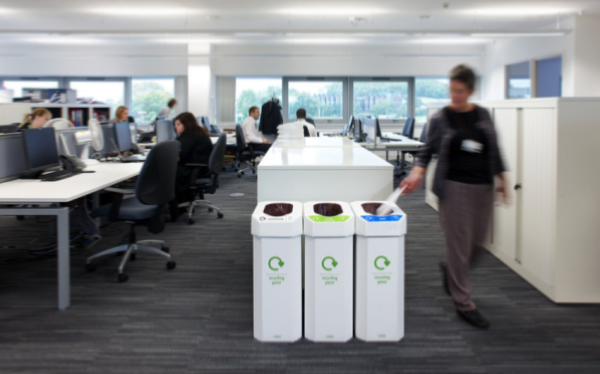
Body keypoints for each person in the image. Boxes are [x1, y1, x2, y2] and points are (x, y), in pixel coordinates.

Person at [400, 64, 509, 329]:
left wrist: (502, 180)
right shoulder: (440, 118)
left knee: (479, 244)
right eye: (452, 91)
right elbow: (426, 152)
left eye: (460, 91)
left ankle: (450, 270)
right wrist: (417, 174)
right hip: (453, 188)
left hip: (482, 187)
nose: (455, 96)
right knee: (459, 247)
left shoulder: (482, 114)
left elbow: (493, 150)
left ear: (471, 90)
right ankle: (464, 303)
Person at [169, 112, 213, 220]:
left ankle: (174, 210)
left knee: (166, 173)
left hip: (195, 170)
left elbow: (178, 156)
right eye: (175, 124)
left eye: (178, 124)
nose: (175, 126)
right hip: (201, 169)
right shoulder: (196, 132)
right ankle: (177, 206)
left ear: (186, 125)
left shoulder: (190, 135)